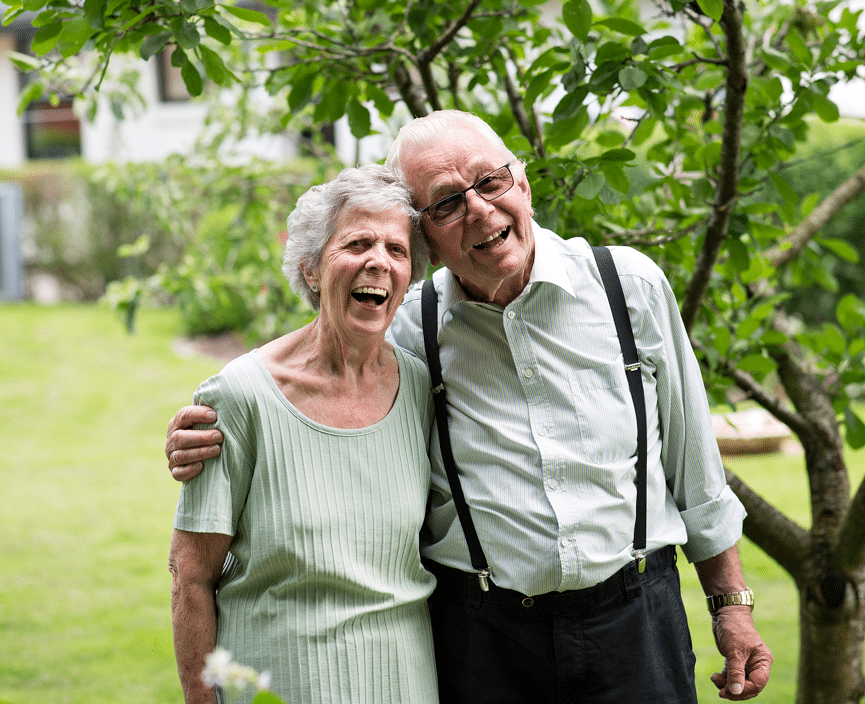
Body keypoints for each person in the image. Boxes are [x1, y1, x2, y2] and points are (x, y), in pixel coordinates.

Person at [166, 111, 773, 702]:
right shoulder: (409, 328)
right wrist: (216, 418)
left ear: (524, 182)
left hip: (638, 623)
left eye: (490, 180)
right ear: (426, 234)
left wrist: (732, 607)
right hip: (487, 642)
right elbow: (323, 358)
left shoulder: (630, 290)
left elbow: (696, 471)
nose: (480, 210)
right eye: (447, 202)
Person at [168, 165, 440, 704]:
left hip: (406, 683)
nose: (378, 262)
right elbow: (189, 577)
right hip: (279, 685)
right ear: (311, 269)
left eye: (396, 249)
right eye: (357, 242)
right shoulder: (240, 396)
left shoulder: (420, 387)